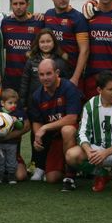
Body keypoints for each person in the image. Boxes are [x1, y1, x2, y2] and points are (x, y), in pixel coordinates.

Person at [67, 71, 112, 194]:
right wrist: (88, 151)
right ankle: (101, 174)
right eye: (111, 89)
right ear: (99, 90)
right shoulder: (90, 105)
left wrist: (106, 153)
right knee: (71, 155)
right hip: (97, 149)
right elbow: (82, 133)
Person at [28, 58, 82, 191]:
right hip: (55, 140)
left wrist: (45, 127)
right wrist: (37, 137)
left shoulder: (69, 87)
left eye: (48, 73)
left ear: (57, 72)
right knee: (52, 178)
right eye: (41, 74)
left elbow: (72, 118)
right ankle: (72, 167)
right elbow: (37, 122)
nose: (45, 78)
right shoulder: (37, 96)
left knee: (67, 130)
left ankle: (70, 177)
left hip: (77, 137)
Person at [43, 0, 90, 88]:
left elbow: (85, 50)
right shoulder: (48, 15)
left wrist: (75, 77)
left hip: (71, 73)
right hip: (52, 74)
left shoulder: (78, 17)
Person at [0, 0, 45, 96]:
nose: (18, 7)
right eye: (15, 4)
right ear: (11, 5)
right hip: (10, 78)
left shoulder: (38, 22)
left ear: (28, 4)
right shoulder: (6, 23)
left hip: (31, 77)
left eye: (21, 3)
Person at [19, 28, 72, 113]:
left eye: (48, 41)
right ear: (38, 43)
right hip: (34, 103)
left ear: (54, 42)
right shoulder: (31, 60)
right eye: (42, 42)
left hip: (54, 105)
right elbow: (24, 83)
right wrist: (23, 105)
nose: (45, 44)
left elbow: (66, 85)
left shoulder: (61, 62)